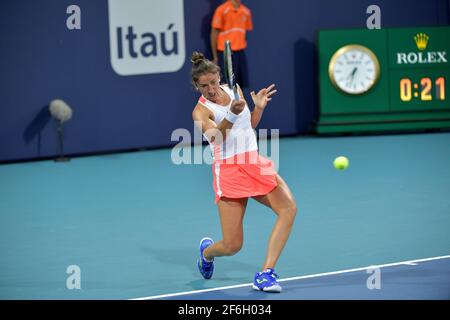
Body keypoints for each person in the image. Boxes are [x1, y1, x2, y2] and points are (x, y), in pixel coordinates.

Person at [190, 52, 297, 293]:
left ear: (220, 77)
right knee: (232, 245)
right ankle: (207, 254)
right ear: (197, 86)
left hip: (253, 161)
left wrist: (257, 109)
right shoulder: (199, 112)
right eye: (204, 86)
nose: (210, 89)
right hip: (228, 170)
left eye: (214, 82)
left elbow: (248, 126)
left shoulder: (234, 89)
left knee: (289, 208)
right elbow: (216, 138)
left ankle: (266, 273)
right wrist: (230, 114)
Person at [210, 0, 253, 88]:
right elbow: (214, 34)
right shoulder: (221, 10)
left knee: (240, 85)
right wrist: (215, 57)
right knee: (227, 86)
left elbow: (243, 34)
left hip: (240, 53)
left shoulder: (246, 11)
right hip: (225, 53)